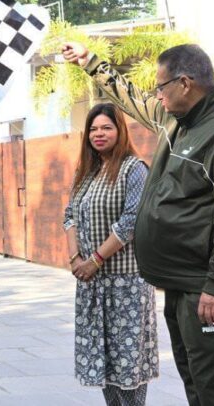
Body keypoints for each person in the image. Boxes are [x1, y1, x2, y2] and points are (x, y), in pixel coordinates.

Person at [63, 42, 214, 406]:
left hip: (210, 289)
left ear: (185, 83)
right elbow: (131, 99)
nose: (157, 95)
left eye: (161, 87)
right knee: (197, 383)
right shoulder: (176, 120)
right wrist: (90, 63)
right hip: (183, 283)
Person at [63, 103, 158, 404]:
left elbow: (130, 222)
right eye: (93, 128)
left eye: (106, 127)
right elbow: (69, 215)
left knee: (129, 369)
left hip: (126, 286)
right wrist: (75, 259)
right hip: (94, 286)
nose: (98, 134)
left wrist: (95, 260)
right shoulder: (86, 171)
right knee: (104, 367)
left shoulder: (134, 169)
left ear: (120, 130)